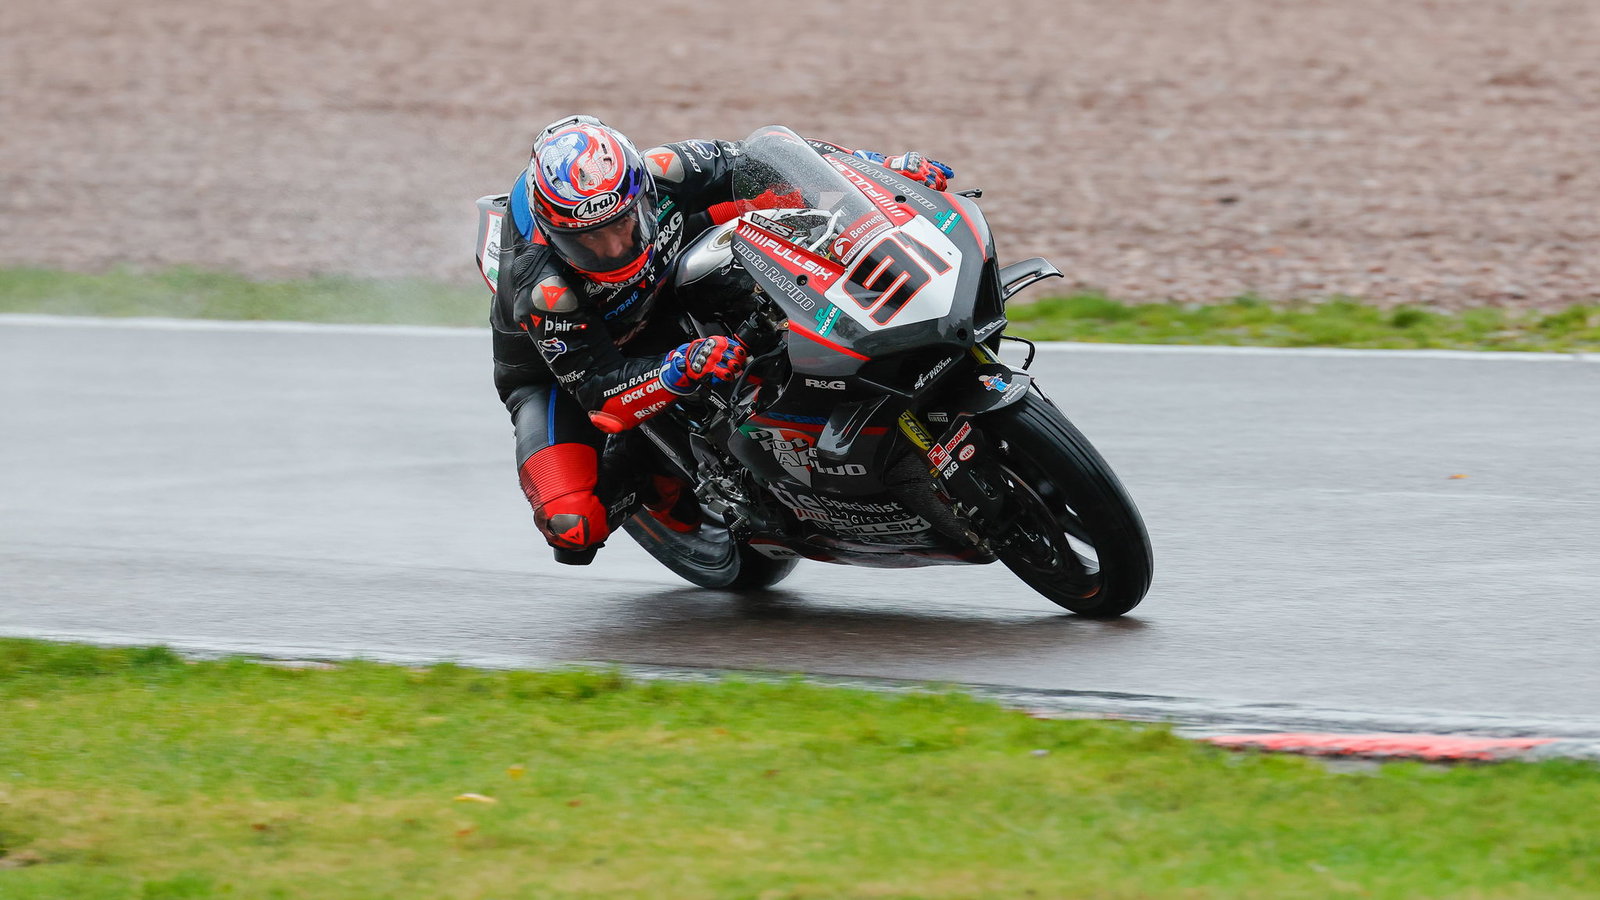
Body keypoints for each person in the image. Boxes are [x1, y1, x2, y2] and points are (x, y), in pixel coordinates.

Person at [489, 115, 955, 564]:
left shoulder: (663, 168)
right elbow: (599, 395)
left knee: (779, 197)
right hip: (560, 371)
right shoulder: (541, 288)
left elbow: (772, 160)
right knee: (573, 527)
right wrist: (679, 368)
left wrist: (879, 166)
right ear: (555, 234)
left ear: (642, 196)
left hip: (661, 287)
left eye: (622, 226)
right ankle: (654, 470)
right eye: (589, 241)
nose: (613, 250)